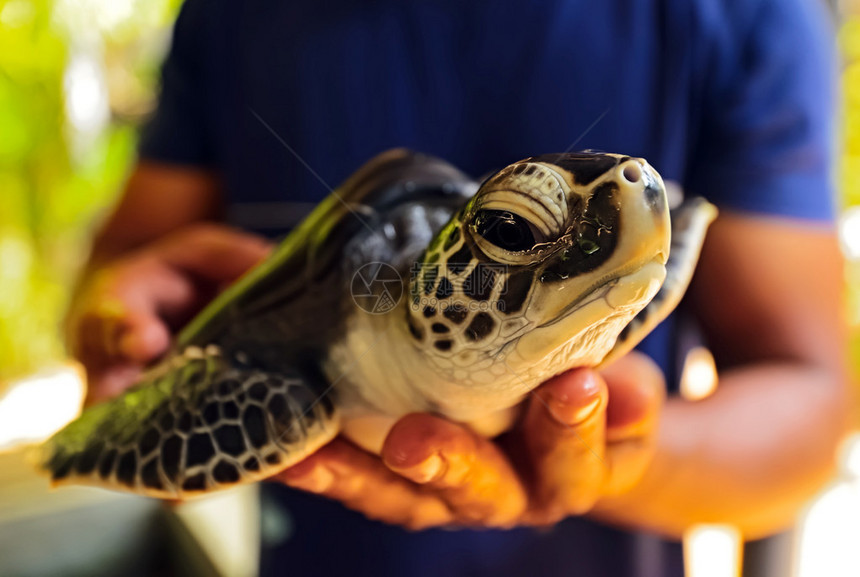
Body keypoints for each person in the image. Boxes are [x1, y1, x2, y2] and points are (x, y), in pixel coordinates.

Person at [66, 0, 849, 575]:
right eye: (515, 231)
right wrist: (121, 325)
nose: (634, 220)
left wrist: (616, 462)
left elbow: (814, 398)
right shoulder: (233, 18)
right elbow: (122, 271)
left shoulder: (748, 16)